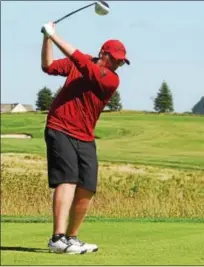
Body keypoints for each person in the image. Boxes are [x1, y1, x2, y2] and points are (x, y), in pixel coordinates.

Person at [40, 21, 130, 254]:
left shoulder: (110, 79)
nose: (119, 63)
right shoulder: (83, 63)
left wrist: (55, 35)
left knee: (87, 186)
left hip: (85, 135)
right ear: (103, 54)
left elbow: (80, 61)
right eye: (116, 58)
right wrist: (47, 38)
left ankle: (72, 237)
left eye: (122, 60)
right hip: (60, 127)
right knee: (68, 179)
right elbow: (48, 66)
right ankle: (57, 239)